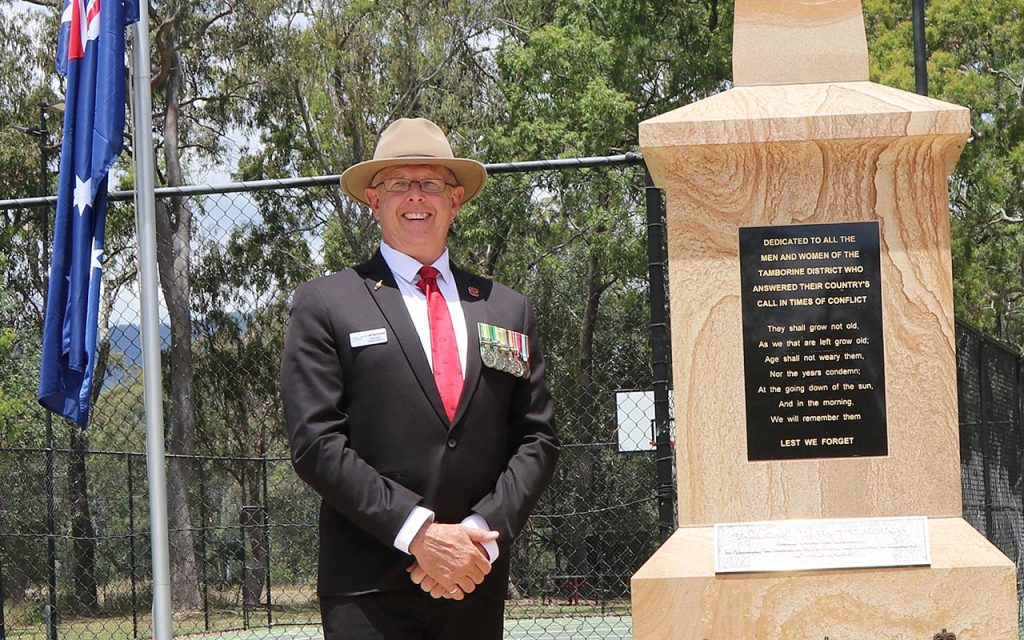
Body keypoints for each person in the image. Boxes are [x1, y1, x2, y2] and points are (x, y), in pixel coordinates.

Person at [280, 117, 559, 640]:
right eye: (397, 184)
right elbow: (316, 443)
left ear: (455, 200)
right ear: (373, 199)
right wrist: (420, 535)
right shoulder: (326, 305)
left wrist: (477, 536)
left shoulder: (506, 308)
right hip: (367, 592)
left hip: (474, 580)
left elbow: (537, 439)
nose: (415, 196)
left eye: (429, 183)